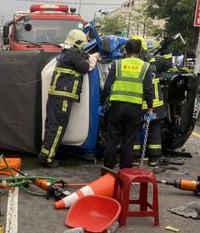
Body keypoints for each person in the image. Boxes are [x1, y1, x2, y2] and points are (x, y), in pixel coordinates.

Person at [38, 29, 97, 167]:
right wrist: (88, 57)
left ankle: (45, 153)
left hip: (56, 97)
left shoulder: (65, 54)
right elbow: (84, 67)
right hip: (63, 98)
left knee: (52, 126)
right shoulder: (73, 55)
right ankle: (48, 158)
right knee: (57, 127)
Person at [102, 38, 154, 170]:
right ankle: (125, 171)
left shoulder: (117, 64)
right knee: (128, 140)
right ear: (140, 51)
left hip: (116, 107)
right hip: (134, 109)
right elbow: (148, 90)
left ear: (125, 50)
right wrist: (150, 108)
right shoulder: (145, 66)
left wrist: (103, 101)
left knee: (112, 138)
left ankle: (108, 169)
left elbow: (107, 86)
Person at [131, 36, 172, 166]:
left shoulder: (130, 63)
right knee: (154, 129)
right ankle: (154, 158)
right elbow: (168, 64)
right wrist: (167, 48)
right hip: (154, 104)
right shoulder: (155, 60)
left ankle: (135, 157)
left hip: (137, 103)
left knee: (135, 129)